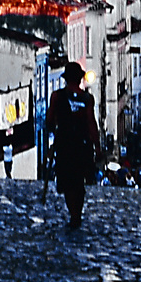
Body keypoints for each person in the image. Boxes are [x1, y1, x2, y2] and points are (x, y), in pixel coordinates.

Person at [44, 62, 100, 228]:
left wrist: (54, 129)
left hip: (64, 144)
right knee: (79, 181)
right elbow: (91, 123)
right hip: (83, 145)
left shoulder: (56, 96)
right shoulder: (87, 99)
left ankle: (73, 214)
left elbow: (49, 120)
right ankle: (77, 214)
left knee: (68, 181)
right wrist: (97, 146)